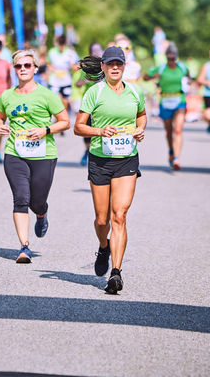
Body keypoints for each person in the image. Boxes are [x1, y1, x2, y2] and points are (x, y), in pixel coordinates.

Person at [74, 46, 146, 294]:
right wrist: (99, 131)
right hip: (100, 160)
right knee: (102, 218)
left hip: (127, 159)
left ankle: (115, 272)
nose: (115, 67)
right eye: (110, 64)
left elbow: (142, 115)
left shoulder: (135, 91)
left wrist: (140, 129)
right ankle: (103, 246)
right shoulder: (94, 93)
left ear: (124, 66)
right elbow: (78, 127)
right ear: (103, 67)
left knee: (120, 215)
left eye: (119, 63)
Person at [0, 49, 71, 263]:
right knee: (20, 198)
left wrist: (45, 130)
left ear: (35, 68)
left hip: (43, 154)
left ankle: (41, 213)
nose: (23, 69)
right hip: (14, 152)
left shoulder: (47, 95)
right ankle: (24, 247)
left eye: (27, 65)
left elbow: (65, 122)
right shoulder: (7, 96)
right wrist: (0, 126)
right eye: (19, 66)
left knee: (36, 201)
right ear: (14, 69)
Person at [144, 43, 190, 170]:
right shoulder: (161, 68)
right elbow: (145, 77)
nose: (171, 61)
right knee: (169, 131)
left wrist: (188, 83)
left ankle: (176, 157)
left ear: (177, 57)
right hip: (165, 101)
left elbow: (189, 78)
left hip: (179, 100)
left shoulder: (182, 68)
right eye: (169, 58)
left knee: (178, 130)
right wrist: (154, 77)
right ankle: (171, 149)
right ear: (166, 58)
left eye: (173, 58)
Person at [75, 42, 104, 166]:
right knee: (86, 126)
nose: (97, 52)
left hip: (103, 101)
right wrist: (87, 79)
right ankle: (87, 150)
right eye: (94, 50)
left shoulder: (106, 66)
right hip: (89, 102)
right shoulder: (88, 67)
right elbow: (78, 83)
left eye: (99, 50)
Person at [47, 35, 79, 115]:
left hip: (66, 80)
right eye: (59, 44)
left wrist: (72, 65)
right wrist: (52, 69)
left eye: (63, 44)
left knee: (65, 100)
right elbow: (48, 63)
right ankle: (59, 118)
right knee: (56, 100)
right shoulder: (52, 52)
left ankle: (63, 118)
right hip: (54, 80)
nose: (61, 46)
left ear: (65, 43)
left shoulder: (70, 52)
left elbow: (77, 66)